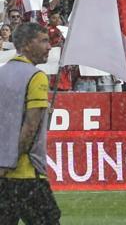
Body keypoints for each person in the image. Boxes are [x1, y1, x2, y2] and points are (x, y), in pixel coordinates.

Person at [0, 23, 55, 225]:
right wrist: (9, 163)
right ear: (26, 44)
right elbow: (29, 128)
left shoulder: (2, 73)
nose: (49, 46)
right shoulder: (36, 76)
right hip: (26, 174)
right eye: (43, 41)